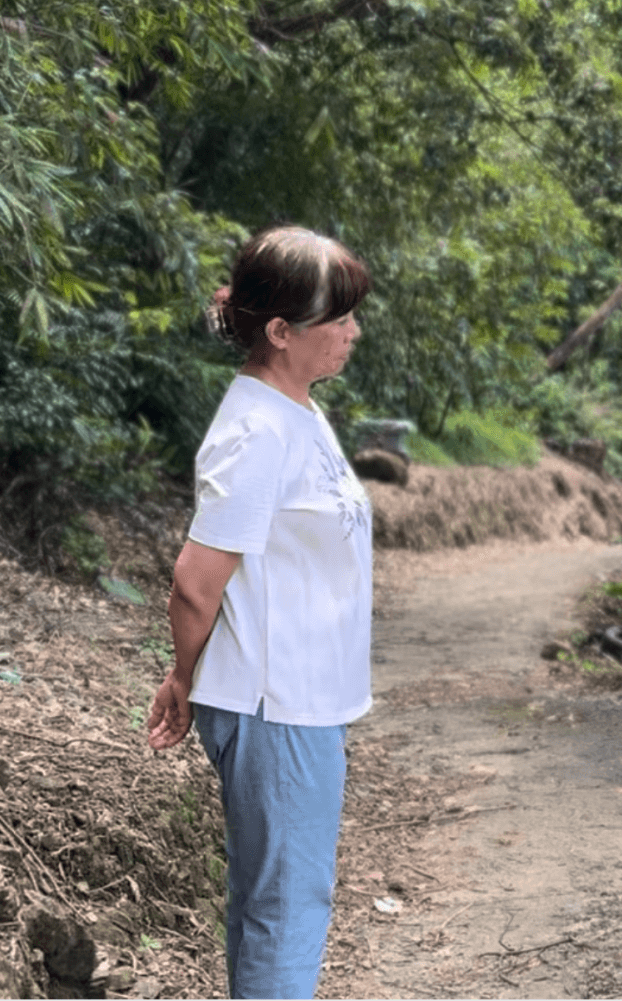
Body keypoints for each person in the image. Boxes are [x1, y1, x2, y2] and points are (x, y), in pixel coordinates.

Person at [146, 225, 374, 1000]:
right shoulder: (256, 431)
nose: (352, 333)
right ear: (280, 332)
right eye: (335, 320)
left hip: (297, 700)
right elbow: (195, 581)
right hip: (276, 705)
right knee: (286, 904)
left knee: (268, 899)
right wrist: (183, 676)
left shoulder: (293, 409)